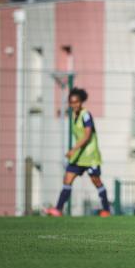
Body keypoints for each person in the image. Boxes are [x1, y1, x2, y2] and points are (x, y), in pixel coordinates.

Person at [45, 87, 110, 217]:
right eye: (72, 102)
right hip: (79, 156)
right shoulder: (74, 116)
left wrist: (73, 150)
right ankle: (58, 209)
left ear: (81, 102)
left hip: (90, 156)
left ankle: (106, 210)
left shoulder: (86, 114)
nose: (74, 104)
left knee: (96, 181)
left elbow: (87, 135)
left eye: (76, 102)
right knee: (67, 179)